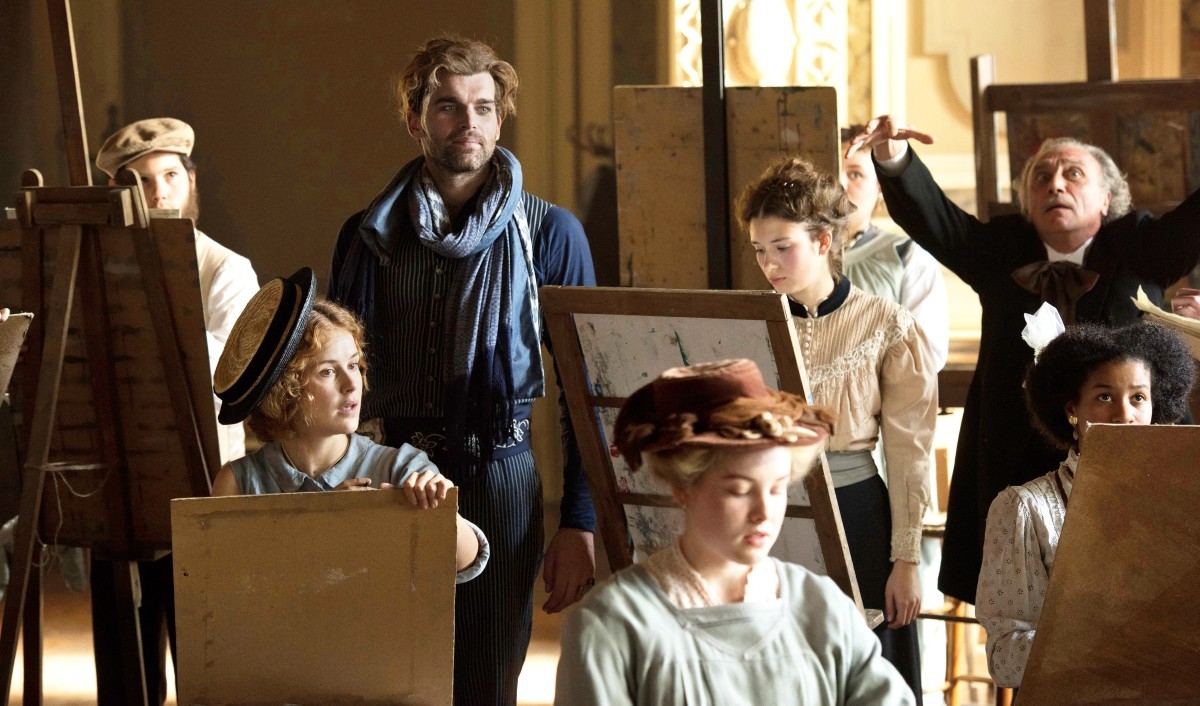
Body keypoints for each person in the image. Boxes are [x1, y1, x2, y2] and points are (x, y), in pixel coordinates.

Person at [328, 35, 596, 705]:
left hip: (498, 476)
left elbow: (585, 392)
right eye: (447, 106)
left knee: (484, 684)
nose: (467, 122)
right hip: (387, 472)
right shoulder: (367, 234)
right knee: (386, 680)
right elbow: (334, 373)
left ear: (500, 120)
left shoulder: (550, 232)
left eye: (483, 107)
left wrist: (580, 522)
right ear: (415, 120)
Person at [846, 117, 1200, 604]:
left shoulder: (1141, 246)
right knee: (1019, 606)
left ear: (1106, 199)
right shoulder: (1000, 248)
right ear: (1028, 206)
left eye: (1073, 173)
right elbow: (937, 220)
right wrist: (891, 155)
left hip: (1129, 461)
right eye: (1042, 176)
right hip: (1015, 463)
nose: (1055, 183)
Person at [554, 358, 915, 705]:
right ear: (683, 486)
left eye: (777, 488)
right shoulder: (614, 625)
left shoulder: (820, 608)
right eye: (739, 490)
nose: (763, 513)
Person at [738, 157, 937, 696]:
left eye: (783, 247)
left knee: (863, 678)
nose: (769, 263)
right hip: (771, 516)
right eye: (759, 249)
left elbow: (911, 451)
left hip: (858, 517)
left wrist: (906, 560)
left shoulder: (887, 324)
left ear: (823, 241)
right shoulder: (748, 322)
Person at [91, 117, 260, 706]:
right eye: (140, 181)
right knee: (125, 669)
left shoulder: (225, 269)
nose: (158, 192)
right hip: (121, 481)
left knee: (205, 660)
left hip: (200, 480)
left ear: (191, 182)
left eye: (169, 176)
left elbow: (222, 371)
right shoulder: (99, 270)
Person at [209, 268, 488, 581]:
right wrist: (323, 523)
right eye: (328, 371)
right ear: (285, 388)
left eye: (354, 365)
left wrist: (442, 509)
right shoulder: (238, 484)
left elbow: (465, 563)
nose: (352, 383)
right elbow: (221, 587)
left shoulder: (400, 468)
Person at [976, 321, 1194, 688]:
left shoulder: (1183, 503)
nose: (1124, 415)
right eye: (1105, 397)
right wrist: (1123, 648)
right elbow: (1007, 659)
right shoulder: (1024, 510)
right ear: (1071, 410)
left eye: (1138, 398)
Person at [840, 126, 948, 370]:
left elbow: (927, 354)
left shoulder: (908, 255)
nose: (839, 183)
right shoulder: (789, 251)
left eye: (855, 174)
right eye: (830, 173)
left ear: (879, 188)